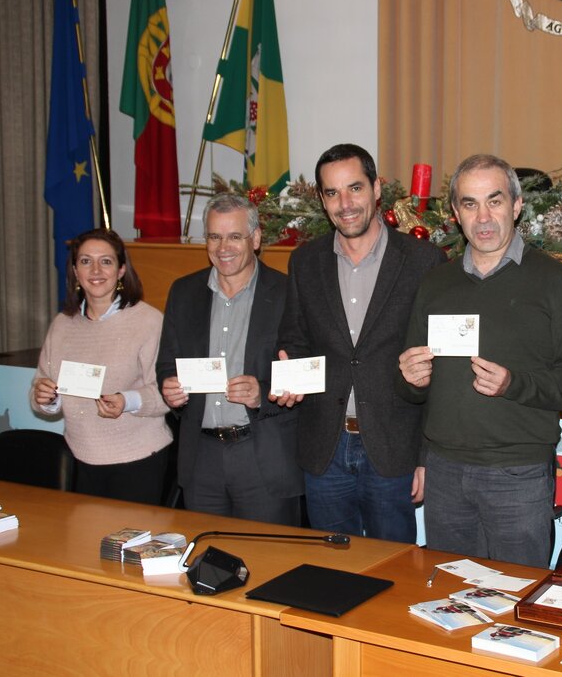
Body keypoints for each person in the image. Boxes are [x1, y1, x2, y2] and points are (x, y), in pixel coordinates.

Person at [398, 154, 562, 567]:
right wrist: (411, 380)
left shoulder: (555, 281)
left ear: (517, 206)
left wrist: (513, 384)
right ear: (455, 214)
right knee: (450, 602)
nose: (483, 216)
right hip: (445, 472)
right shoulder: (436, 283)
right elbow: (413, 390)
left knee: (516, 607)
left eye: (495, 201)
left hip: (517, 474)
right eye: (470, 203)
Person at [272, 144, 445, 542]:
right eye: (332, 193)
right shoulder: (305, 261)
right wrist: (290, 373)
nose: (345, 203)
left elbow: (437, 368)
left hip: (393, 449)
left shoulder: (424, 261)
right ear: (321, 199)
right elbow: (293, 338)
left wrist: (425, 457)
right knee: (332, 570)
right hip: (324, 448)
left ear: (377, 188)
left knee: (394, 571)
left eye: (354, 188)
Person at [156, 192, 302, 524]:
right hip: (201, 456)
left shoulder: (287, 293)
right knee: (208, 561)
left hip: (262, 454)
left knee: (271, 562)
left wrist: (262, 391)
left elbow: (302, 368)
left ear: (256, 238)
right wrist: (169, 386)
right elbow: (167, 361)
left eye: (235, 236)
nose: (224, 247)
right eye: (214, 236)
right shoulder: (183, 292)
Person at [31, 229, 171, 504]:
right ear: (74, 270)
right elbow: (42, 387)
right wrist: (45, 397)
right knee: (84, 544)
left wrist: (126, 401)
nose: (95, 270)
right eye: (85, 261)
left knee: (127, 546)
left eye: (105, 261)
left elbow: (167, 393)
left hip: (138, 461)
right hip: (79, 459)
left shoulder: (148, 321)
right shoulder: (62, 324)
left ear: (121, 270)